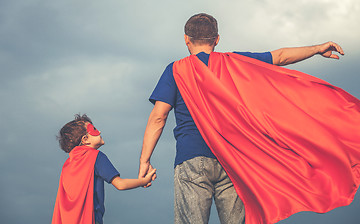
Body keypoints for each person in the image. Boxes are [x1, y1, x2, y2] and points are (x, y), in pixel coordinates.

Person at [138, 13, 347, 224]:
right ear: (217, 39)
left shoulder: (175, 70)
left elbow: (159, 117)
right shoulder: (234, 62)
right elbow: (280, 56)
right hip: (232, 159)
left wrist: (145, 160)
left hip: (192, 158)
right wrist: (317, 48)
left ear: (186, 39)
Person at [52, 114, 156, 224]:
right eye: (94, 129)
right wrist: (144, 181)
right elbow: (120, 185)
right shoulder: (96, 156)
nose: (99, 131)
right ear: (85, 139)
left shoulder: (67, 164)